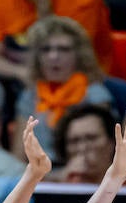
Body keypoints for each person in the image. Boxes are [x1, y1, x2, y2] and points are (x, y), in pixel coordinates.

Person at [12, 16, 114, 159]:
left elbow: (102, 156)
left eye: (64, 49)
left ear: (79, 56)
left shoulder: (95, 95)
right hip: (39, 175)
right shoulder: (29, 95)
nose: (54, 56)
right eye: (46, 49)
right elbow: (19, 156)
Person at [47, 103, 118, 184]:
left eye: (91, 138)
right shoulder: (52, 185)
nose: (82, 147)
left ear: (112, 142)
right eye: (74, 141)